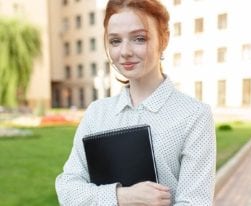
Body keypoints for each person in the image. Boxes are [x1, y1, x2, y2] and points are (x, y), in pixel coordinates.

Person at [55, 0, 216, 205]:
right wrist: (122, 196)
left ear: (164, 39)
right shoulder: (97, 113)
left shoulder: (194, 115)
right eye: (115, 41)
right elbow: (67, 189)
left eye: (139, 39)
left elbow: (195, 202)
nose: (125, 52)